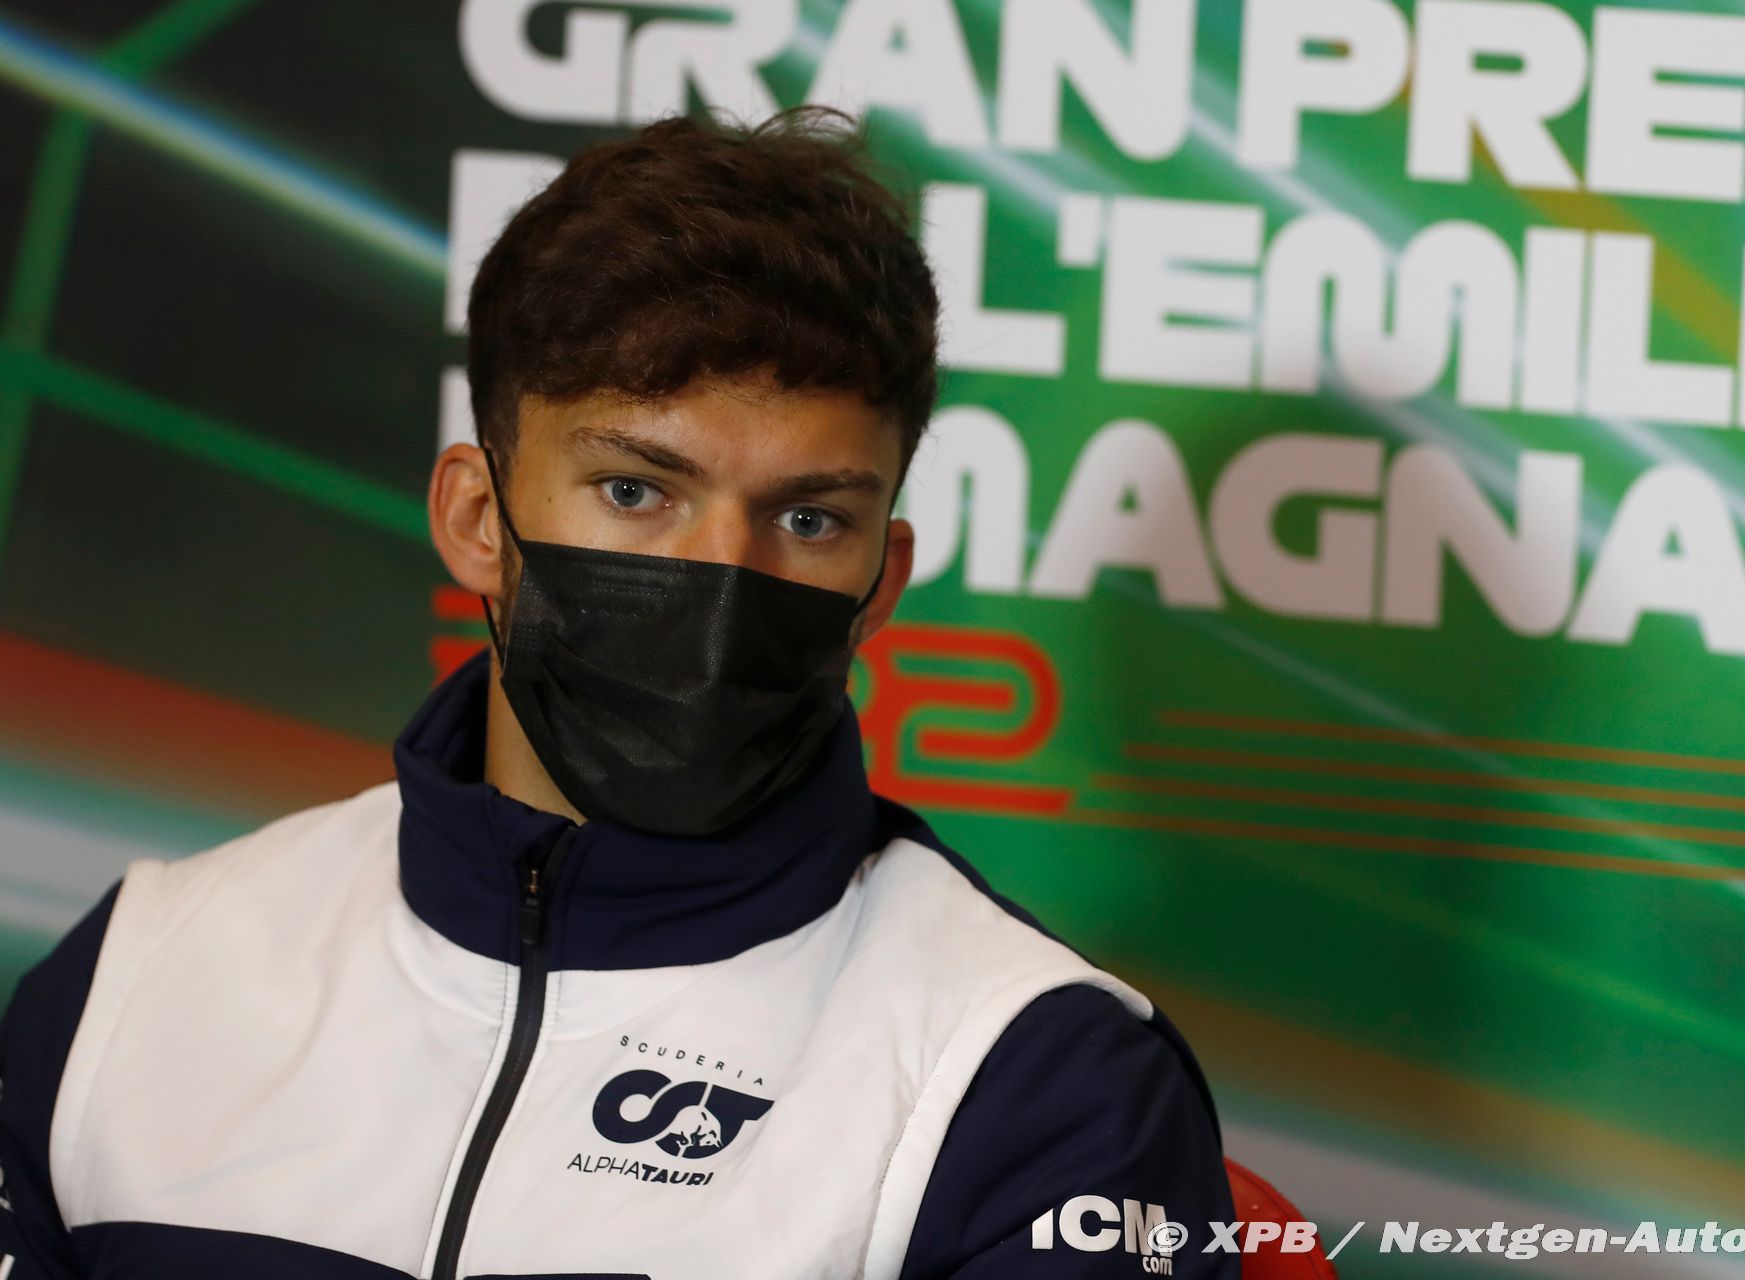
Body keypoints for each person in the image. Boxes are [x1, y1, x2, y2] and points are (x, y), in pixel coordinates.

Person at [0, 108, 1238, 1278]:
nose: (722, 578)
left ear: (881, 583)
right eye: (637, 490)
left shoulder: (1038, 1077)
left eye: (809, 518)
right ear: (477, 518)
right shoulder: (142, 972)